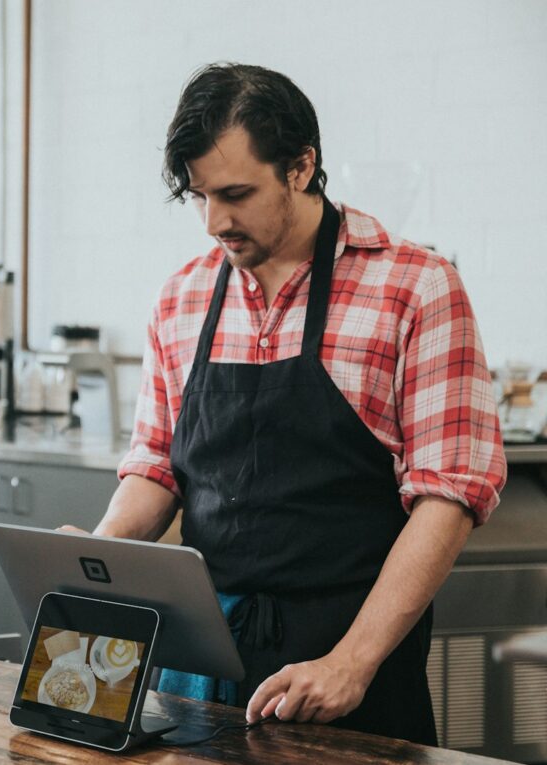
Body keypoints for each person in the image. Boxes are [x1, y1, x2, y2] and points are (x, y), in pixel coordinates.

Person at [61, 63, 506, 744]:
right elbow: (156, 466)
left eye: (236, 193)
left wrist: (350, 662)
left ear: (302, 167)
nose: (215, 222)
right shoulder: (181, 298)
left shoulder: (416, 289)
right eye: (199, 196)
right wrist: (97, 556)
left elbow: (447, 497)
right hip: (202, 669)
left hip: (349, 670)